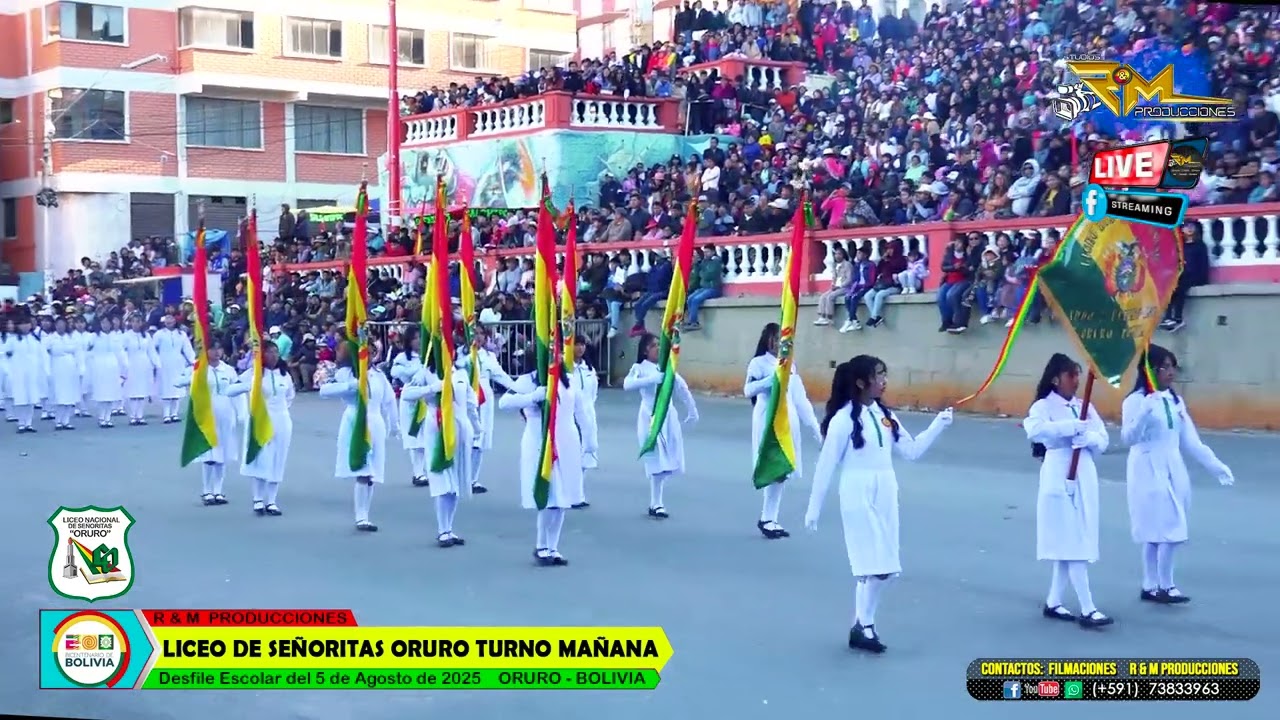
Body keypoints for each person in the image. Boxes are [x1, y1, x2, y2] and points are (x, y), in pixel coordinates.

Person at [803, 356, 953, 653]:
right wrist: (813, 508)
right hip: (858, 491)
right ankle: (865, 626)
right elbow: (826, 465)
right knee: (876, 565)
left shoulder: (887, 416)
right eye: (879, 376)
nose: (884, 381)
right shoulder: (843, 420)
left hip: (886, 489)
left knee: (885, 566)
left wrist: (939, 425)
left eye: (885, 375)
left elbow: (911, 451)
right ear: (861, 382)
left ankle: (862, 626)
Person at [1121, 344, 1233, 605]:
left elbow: (1191, 441)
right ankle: (1166, 585)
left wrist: (1216, 466)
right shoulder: (1136, 401)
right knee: (1169, 527)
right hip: (1147, 467)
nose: (1170, 372)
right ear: (1150, 370)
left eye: (1172, 366)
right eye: (1165, 367)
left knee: (1160, 528)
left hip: (1173, 465)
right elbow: (1128, 437)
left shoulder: (1175, 401)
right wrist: (1145, 413)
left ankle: (1149, 585)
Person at [1024, 353, 1113, 628]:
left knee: (1072, 538)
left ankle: (1054, 601)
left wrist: (1090, 438)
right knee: (1074, 542)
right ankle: (1088, 608)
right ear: (1055, 379)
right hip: (1059, 472)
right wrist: (1069, 428)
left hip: (1084, 470)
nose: (1076, 381)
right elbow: (1035, 431)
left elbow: (1104, 438)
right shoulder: (1044, 406)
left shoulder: (1083, 405)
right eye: (1070, 375)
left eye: (1078, 375)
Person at [498, 349, 591, 566]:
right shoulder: (528, 380)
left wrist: (588, 439)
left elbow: (581, 411)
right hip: (540, 441)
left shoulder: (567, 380)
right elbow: (504, 402)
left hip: (566, 440)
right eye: (553, 353)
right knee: (550, 496)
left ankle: (553, 547)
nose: (558, 356)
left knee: (564, 498)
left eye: (558, 353)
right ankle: (541, 546)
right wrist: (532, 397)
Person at [744, 322, 821, 539]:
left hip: (787, 418)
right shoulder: (758, 363)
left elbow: (800, 397)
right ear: (767, 340)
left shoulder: (790, 364)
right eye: (775, 338)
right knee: (772, 466)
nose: (778, 343)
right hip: (767, 418)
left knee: (782, 469)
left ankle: (769, 518)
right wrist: (772, 379)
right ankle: (767, 518)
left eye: (782, 339)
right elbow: (748, 389)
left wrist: (814, 427)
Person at [319, 339, 397, 532]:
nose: (369, 356)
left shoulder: (378, 375)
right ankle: (361, 517)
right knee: (363, 469)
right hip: (355, 420)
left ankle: (365, 513)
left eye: (371, 352)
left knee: (371, 473)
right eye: (365, 352)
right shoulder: (345, 373)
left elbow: (389, 400)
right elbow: (324, 390)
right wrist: (349, 386)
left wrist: (394, 425)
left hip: (375, 421)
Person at [402, 358, 478, 548]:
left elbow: (471, 402)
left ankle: (449, 528)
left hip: (459, 428)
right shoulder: (425, 372)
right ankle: (442, 530)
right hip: (436, 427)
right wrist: (431, 388)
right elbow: (407, 394)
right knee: (442, 480)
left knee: (455, 485)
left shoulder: (460, 373)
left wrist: (476, 427)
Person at [622, 332, 699, 519]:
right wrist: (651, 380)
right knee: (656, 458)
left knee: (667, 461)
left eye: (659, 344)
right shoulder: (639, 368)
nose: (658, 348)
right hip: (649, 417)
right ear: (645, 350)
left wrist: (692, 410)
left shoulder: (666, 367)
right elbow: (627, 384)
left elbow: (682, 388)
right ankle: (656, 503)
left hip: (668, 417)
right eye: (654, 345)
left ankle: (657, 501)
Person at [225, 339, 296, 516]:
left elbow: (289, 396)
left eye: (275, 352)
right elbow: (230, 391)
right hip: (259, 419)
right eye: (269, 352)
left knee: (278, 459)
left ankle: (271, 501)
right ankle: (258, 498)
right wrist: (250, 386)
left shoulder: (284, 374)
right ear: (261, 354)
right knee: (261, 457)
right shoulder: (253, 373)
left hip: (281, 420)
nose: (273, 355)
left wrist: (280, 411)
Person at [176, 340, 239, 505]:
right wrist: (193, 374)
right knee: (209, 454)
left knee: (222, 455)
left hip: (225, 414)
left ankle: (218, 491)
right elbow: (178, 382)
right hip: (206, 415)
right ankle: (206, 491)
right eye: (212, 348)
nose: (216, 352)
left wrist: (240, 415)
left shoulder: (229, 370)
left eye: (219, 348)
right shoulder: (199, 368)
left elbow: (236, 392)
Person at [455, 325, 516, 494]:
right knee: (463, 437)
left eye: (482, 334)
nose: (479, 337)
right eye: (475, 333)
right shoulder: (458, 354)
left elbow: (501, 376)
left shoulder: (489, 356)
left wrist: (520, 389)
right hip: (464, 398)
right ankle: (459, 476)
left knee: (480, 439)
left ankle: (473, 479)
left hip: (484, 399)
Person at [388, 327, 428, 487]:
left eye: (420, 337)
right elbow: (395, 372)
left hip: (426, 398)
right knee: (414, 438)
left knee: (428, 435)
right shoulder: (403, 357)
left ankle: (425, 470)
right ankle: (418, 473)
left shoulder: (428, 355)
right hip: (411, 400)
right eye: (415, 338)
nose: (418, 341)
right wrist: (415, 372)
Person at [570, 334, 600, 508]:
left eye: (582, 345)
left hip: (588, 414)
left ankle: (579, 492)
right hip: (571, 416)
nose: (580, 348)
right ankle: (572, 493)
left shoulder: (589, 369)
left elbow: (593, 393)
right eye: (576, 344)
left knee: (587, 452)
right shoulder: (567, 368)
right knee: (573, 453)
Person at [3, 315, 46, 432]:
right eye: (22, 324)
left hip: (32, 372)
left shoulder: (34, 339)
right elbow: (4, 355)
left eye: (27, 323)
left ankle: (29, 423)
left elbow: (40, 356)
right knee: (20, 398)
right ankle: (21, 423)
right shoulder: (13, 339)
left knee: (31, 397)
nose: (25, 326)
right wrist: (9, 371)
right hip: (18, 372)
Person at [86, 318, 127, 428]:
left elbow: (121, 353)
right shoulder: (94, 337)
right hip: (99, 367)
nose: (105, 325)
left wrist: (124, 367)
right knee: (101, 394)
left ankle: (108, 418)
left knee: (111, 394)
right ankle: (101, 417)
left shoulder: (116, 337)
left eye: (107, 322)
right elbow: (87, 352)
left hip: (113, 367)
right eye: (103, 322)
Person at [44, 316, 84, 430]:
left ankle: (66, 420)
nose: (60, 326)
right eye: (58, 324)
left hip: (71, 369)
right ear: (55, 325)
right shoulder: (50, 339)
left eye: (63, 324)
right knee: (59, 396)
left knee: (69, 396)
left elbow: (78, 353)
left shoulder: (71, 338)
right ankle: (58, 421)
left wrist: (80, 368)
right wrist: (47, 371)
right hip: (57, 368)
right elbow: (45, 354)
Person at [154, 314, 195, 423]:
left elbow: (187, 349)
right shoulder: (159, 334)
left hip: (178, 363)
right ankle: (166, 414)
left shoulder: (181, 334)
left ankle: (174, 414)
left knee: (177, 389)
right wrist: (155, 362)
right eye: (167, 319)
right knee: (166, 389)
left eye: (171, 319)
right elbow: (153, 348)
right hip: (164, 363)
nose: (169, 321)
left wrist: (193, 361)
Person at [121, 314, 159, 425]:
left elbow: (151, 351)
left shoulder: (146, 336)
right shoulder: (126, 336)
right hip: (132, 364)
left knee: (143, 391)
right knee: (133, 391)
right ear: (130, 323)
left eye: (138, 321)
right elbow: (121, 351)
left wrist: (157, 364)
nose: (136, 324)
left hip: (144, 365)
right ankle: (133, 416)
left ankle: (140, 415)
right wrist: (124, 364)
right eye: (134, 321)